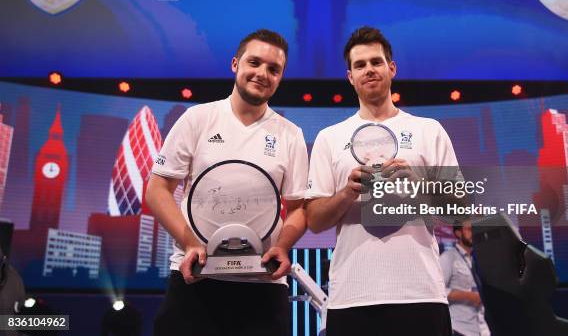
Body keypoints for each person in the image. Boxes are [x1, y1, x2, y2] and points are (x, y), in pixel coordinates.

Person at [147, 29, 309, 336]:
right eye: (254, 62)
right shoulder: (197, 119)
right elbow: (158, 190)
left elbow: (300, 208)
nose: (262, 73)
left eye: (273, 69)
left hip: (263, 283)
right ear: (235, 64)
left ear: (280, 78)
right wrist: (191, 243)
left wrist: (284, 246)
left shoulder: (291, 134)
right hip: (196, 277)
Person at [306, 26, 460, 336]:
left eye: (376, 62)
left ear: (391, 68)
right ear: (350, 76)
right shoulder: (329, 138)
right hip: (352, 296)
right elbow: (314, 220)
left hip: (421, 293)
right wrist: (347, 193)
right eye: (359, 65)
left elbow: (460, 209)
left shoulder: (429, 130)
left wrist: (418, 185)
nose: (369, 70)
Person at [439, 220, 490, 336]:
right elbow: (438, 290)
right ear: (458, 233)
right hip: (459, 328)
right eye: (469, 229)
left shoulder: (478, 259)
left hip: (482, 328)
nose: (473, 233)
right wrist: (469, 296)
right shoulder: (448, 257)